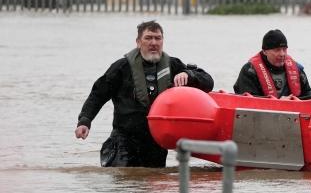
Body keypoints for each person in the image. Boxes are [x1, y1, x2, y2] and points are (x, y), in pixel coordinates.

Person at [74, 20, 214, 167]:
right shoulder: (121, 67)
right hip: (124, 142)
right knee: (126, 183)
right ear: (138, 42)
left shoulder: (173, 66)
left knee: (152, 183)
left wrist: (189, 74)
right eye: (148, 38)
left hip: (156, 144)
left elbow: (208, 82)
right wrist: (85, 121)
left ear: (162, 41)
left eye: (157, 38)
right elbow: (98, 95)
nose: (153, 42)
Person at [233, 29, 311, 99]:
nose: (282, 54)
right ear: (265, 51)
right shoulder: (249, 71)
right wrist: (278, 103)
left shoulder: (297, 69)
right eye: (277, 50)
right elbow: (247, 100)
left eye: (284, 49)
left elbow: (307, 95)